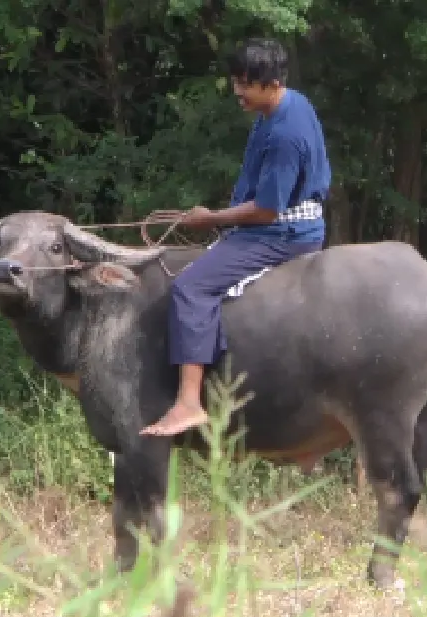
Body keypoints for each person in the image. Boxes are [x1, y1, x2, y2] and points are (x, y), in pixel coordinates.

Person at [140, 37, 332, 437]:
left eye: (246, 84)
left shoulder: (285, 135)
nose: (238, 93)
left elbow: (267, 209)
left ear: (272, 83)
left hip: (281, 232)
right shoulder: (290, 102)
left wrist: (211, 218)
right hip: (282, 221)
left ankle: (189, 403)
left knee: (191, 288)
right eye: (236, 82)